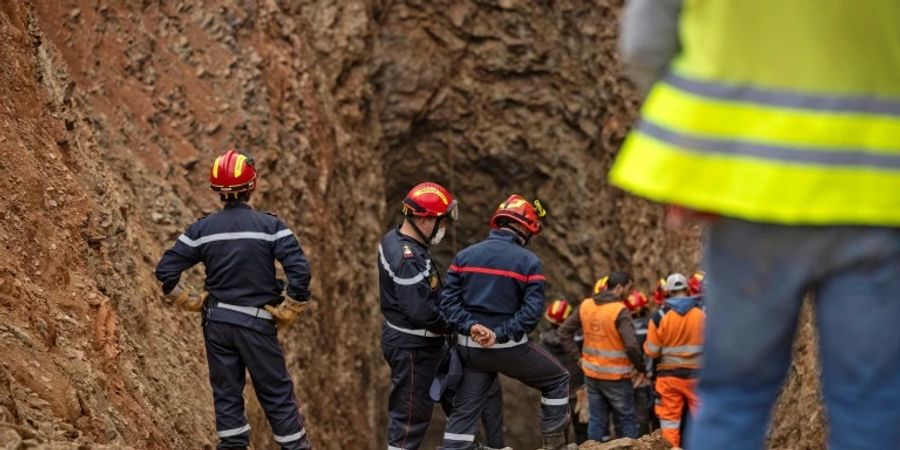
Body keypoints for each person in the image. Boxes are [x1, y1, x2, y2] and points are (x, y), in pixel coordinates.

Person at [614, 2, 900, 449]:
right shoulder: (668, 313)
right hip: (877, 193)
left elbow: (644, 41)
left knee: (733, 399)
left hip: (747, 193)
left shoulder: (658, 316)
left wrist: (692, 149)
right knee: (872, 402)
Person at [155, 149, 313, 450]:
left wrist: (186, 299)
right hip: (256, 324)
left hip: (217, 323)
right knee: (276, 394)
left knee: (227, 393)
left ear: (216, 190)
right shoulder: (271, 227)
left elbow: (165, 271)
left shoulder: (201, 230)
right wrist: (293, 305)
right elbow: (300, 272)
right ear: (252, 186)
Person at [440, 195, 573, 450]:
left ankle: (454, 447)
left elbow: (448, 303)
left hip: (471, 351)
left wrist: (471, 327)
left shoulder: (464, 256)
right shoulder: (529, 262)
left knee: (464, 413)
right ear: (525, 227)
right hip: (509, 349)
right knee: (557, 379)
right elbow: (531, 314)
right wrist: (499, 334)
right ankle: (554, 444)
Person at [378, 182, 459, 450]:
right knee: (410, 417)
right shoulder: (407, 257)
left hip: (419, 345)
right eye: (441, 221)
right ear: (424, 220)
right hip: (414, 349)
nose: (442, 228)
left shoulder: (395, 240)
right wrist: (451, 324)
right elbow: (419, 310)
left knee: (458, 397)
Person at [558, 271, 646, 441]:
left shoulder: (587, 305)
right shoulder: (620, 310)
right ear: (619, 287)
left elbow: (564, 331)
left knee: (597, 421)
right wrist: (641, 367)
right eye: (629, 287)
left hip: (591, 374)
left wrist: (579, 358)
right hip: (616, 377)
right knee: (626, 419)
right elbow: (631, 345)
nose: (630, 291)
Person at [644, 274, 704, 449]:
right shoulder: (701, 315)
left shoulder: (659, 317)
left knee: (670, 423)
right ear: (687, 290)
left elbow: (652, 352)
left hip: (669, 378)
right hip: (697, 377)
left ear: (667, 293)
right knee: (702, 419)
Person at [539, 299, 589, 444]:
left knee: (559, 433)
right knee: (583, 432)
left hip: (555, 393)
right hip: (579, 391)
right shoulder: (577, 338)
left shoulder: (544, 341)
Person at [624, 290, 654, 436]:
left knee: (635, 415)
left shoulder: (625, 327)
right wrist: (647, 371)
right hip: (648, 376)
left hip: (630, 376)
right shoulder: (651, 322)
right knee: (649, 414)